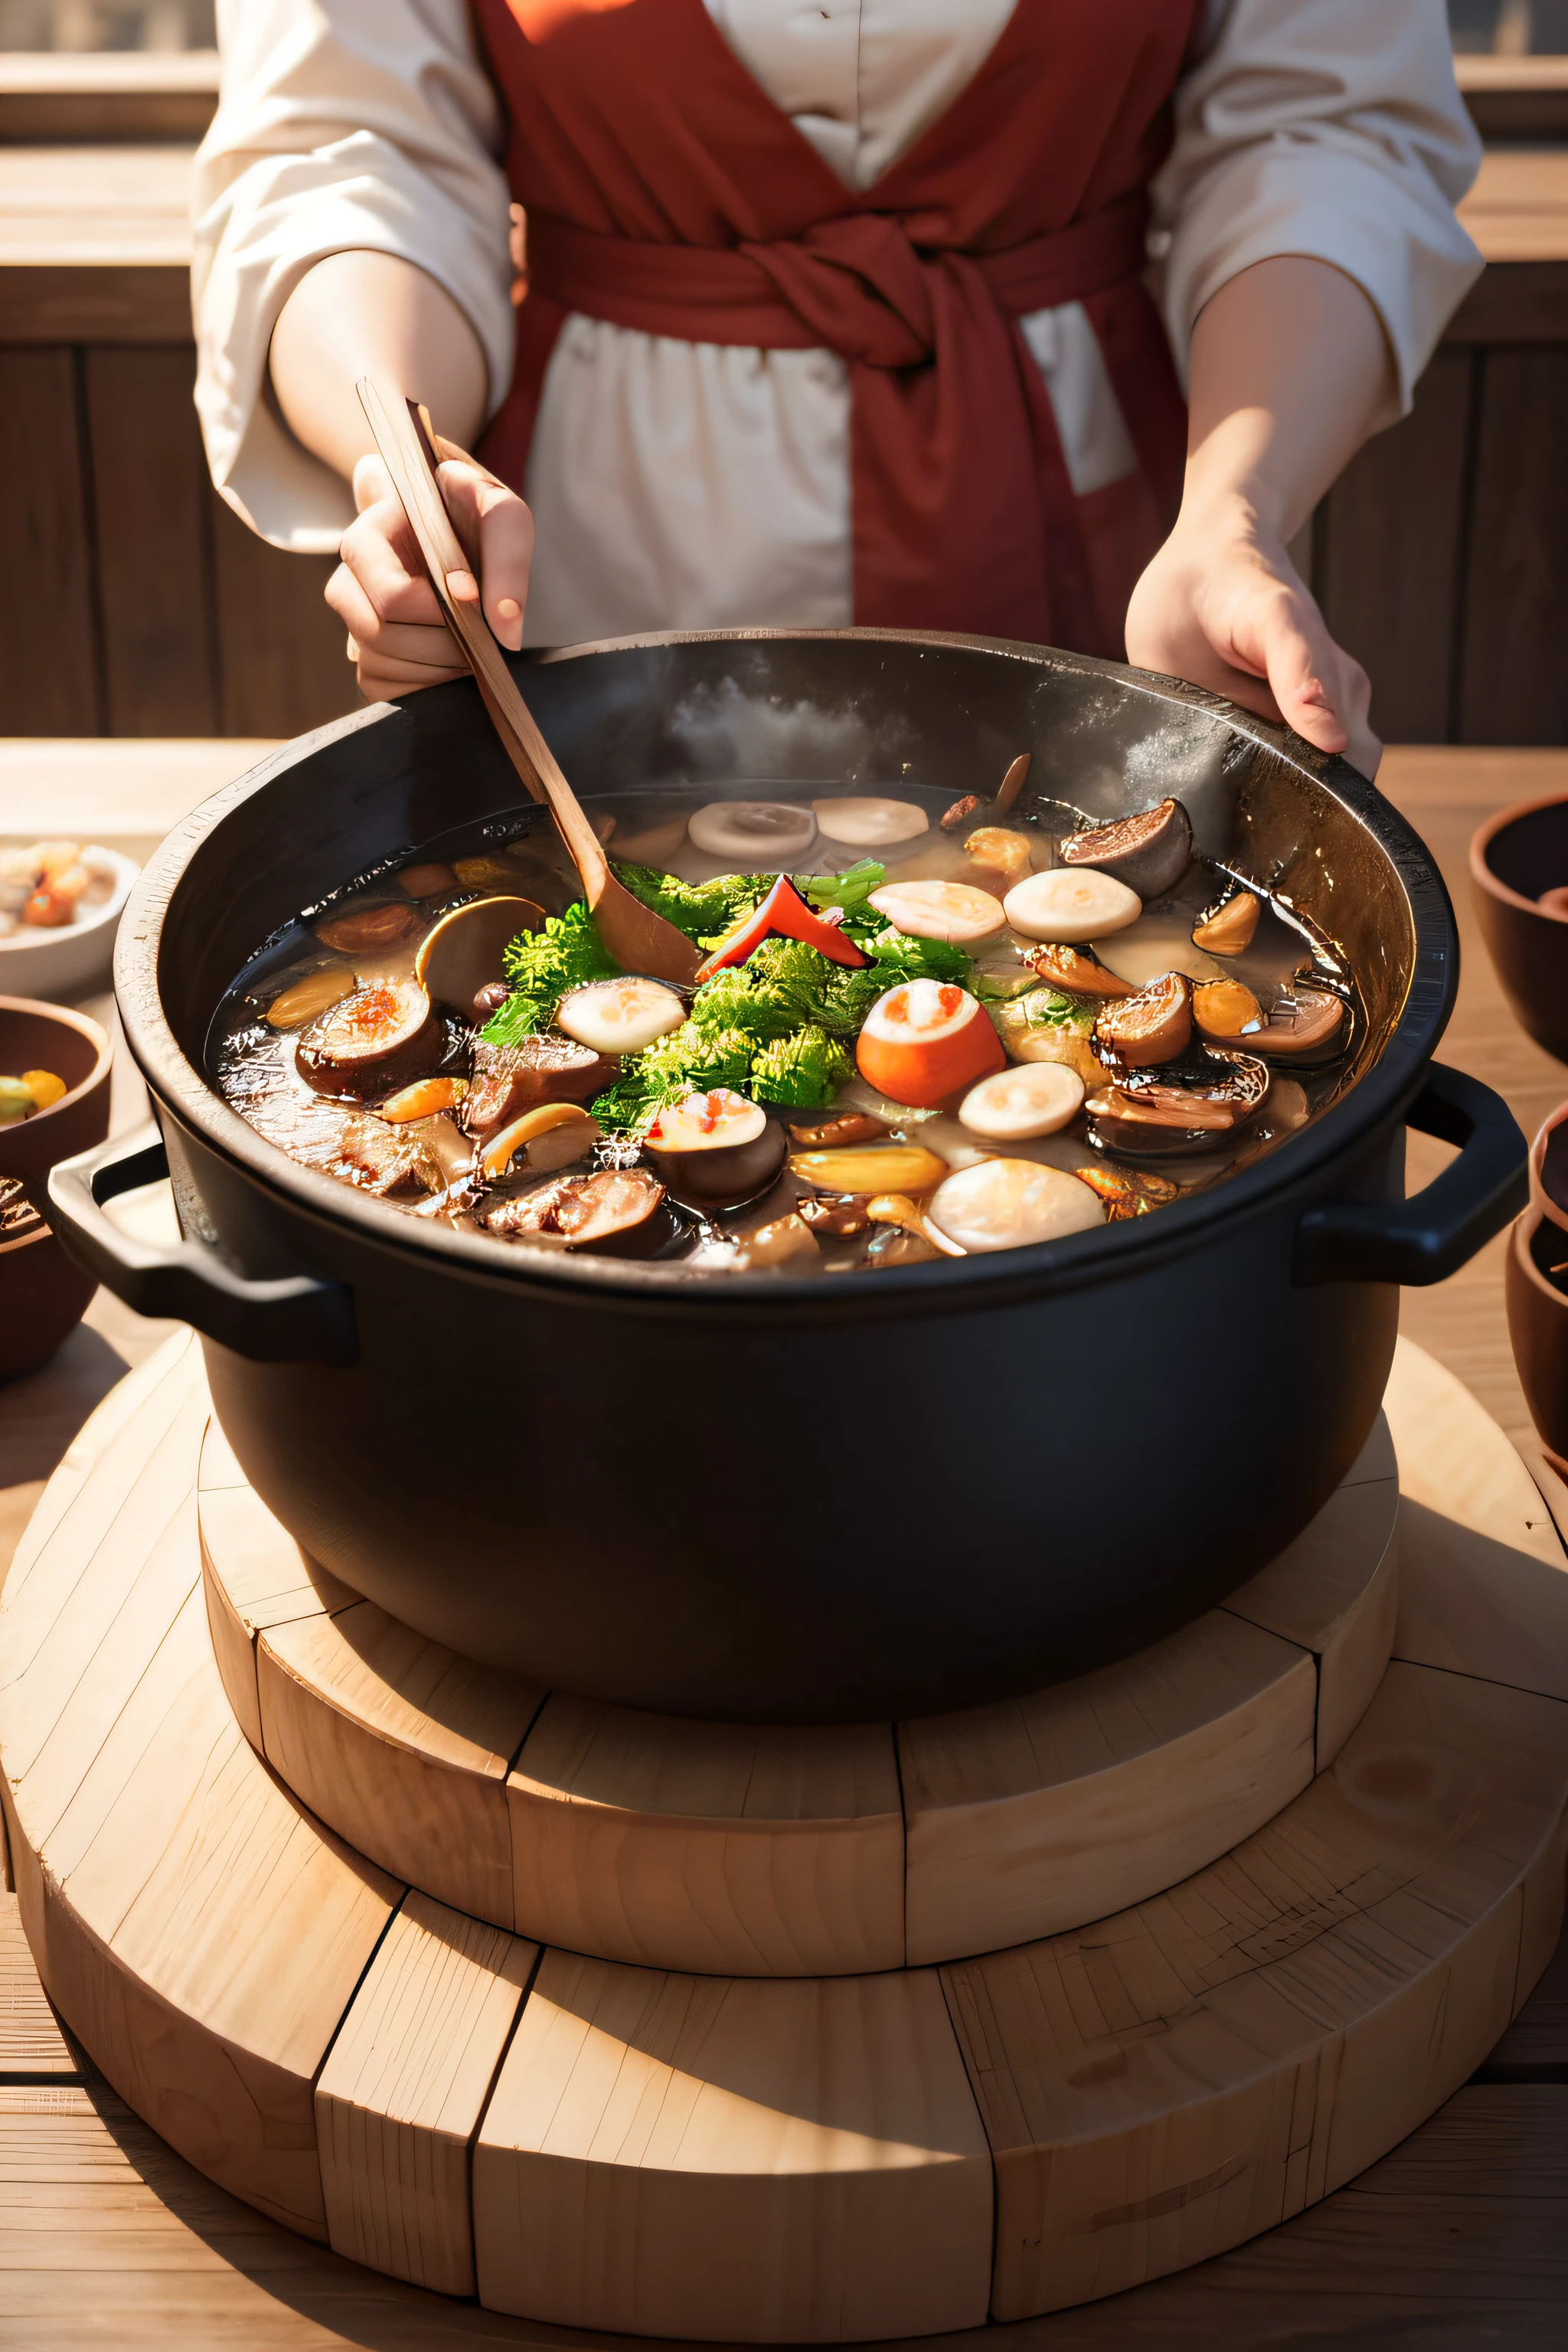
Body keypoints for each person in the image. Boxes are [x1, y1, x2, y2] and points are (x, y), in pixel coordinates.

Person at [192, 1, 1483, 779]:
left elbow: (1320, 133)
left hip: (1107, 524)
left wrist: (1231, 518)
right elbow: (348, 150)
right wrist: (411, 471)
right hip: (585, 543)